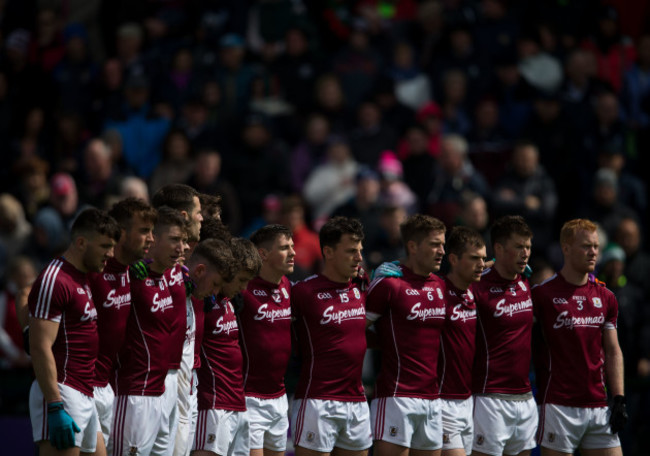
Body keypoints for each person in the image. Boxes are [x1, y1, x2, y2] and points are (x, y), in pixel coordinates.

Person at [28, 208, 120, 454]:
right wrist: (55, 405)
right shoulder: (55, 278)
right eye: (105, 247)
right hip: (63, 392)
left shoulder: (82, 276)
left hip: (85, 392)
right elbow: (39, 346)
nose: (110, 254)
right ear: (81, 243)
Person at [532, 219, 626, 455]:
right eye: (586, 246)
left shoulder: (606, 296)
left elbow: (613, 350)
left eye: (596, 246)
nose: (593, 252)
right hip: (558, 406)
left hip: (598, 406)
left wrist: (619, 398)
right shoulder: (542, 294)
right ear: (566, 248)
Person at [365, 214, 447, 456]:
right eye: (434, 244)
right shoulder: (389, 283)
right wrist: (388, 341)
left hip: (432, 399)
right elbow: (353, 331)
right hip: (396, 397)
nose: (441, 251)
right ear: (412, 246)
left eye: (443, 244)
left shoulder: (440, 285)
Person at [290, 216, 372, 456]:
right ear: (328, 251)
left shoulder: (362, 286)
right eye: (350, 251)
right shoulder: (304, 292)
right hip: (318, 401)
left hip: (357, 400)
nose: (358, 257)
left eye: (360, 250)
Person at [111, 207, 189, 456]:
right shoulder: (128, 275)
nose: (182, 248)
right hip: (134, 392)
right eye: (175, 240)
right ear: (153, 238)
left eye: (184, 240)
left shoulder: (174, 272)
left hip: (166, 388)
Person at [86, 198, 156, 453]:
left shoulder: (129, 270)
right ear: (122, 233)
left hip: (107, 387)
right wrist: (31, 332)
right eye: (144, 231)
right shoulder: (93, 266)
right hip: (81, 385)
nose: (151, 238)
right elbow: (31, 290)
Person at [471, 215, 537, 456]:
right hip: (489, 397)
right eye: (519, 246)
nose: (525, 253)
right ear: (498, 248)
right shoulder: (476, 285)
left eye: (528, 246)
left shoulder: (525, 282)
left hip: (525, 396)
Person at [193, 238, 263, 456]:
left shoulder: (229, 302)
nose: (244, 287)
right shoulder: (202, 302)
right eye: (241, 280)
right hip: (212, 404)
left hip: (238, 404)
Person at [240, 225, 296, 456]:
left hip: (280, 397)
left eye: (292, 246)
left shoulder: (289, 287)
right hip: (248, 397)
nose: (293, 252)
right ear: (263, 254)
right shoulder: (242, 289)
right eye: (284, 248)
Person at [440, 227, 486, 456]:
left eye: (483, 259)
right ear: (454, 259)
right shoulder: (437, 292)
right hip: (440, 400)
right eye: (474, 258)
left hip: (468, 401)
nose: (481, 264)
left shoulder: (472, 293)